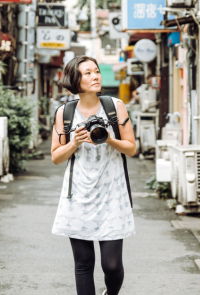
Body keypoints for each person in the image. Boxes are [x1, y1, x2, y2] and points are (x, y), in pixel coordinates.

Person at [51, 55, 136, 295]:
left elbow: (131, 147)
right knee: (84, 263)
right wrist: (74, 142)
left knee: (112, 265)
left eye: (96, 71)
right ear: (75, 80)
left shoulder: (114, 106)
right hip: (78, 195)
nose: (95, 76)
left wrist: (109, 139)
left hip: (112, 194)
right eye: (87, 73)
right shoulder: (64, 113)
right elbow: (56, 157)